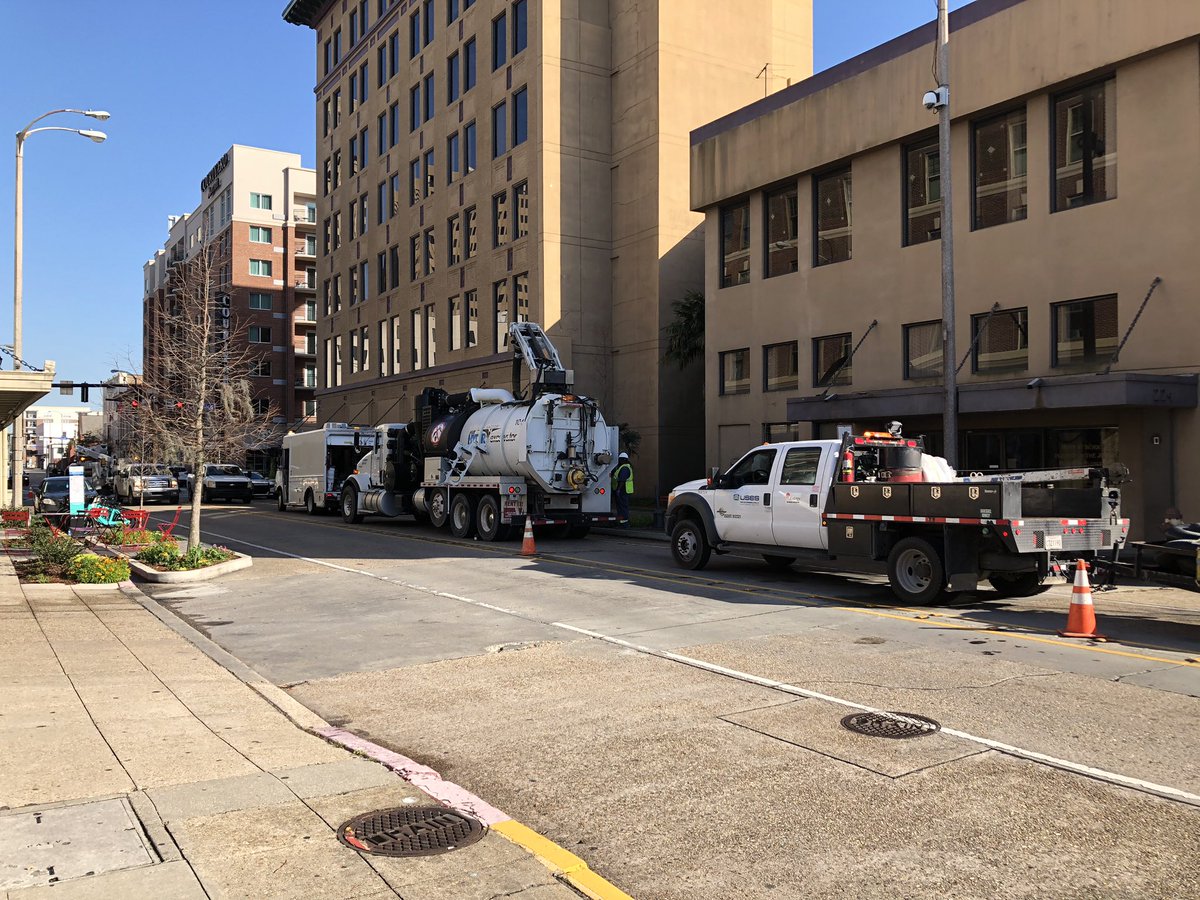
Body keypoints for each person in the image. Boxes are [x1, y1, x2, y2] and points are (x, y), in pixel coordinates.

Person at [612, 451, 634, 526]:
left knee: (622, 506)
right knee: (621, 506)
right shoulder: (624, 467)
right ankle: (622, 522)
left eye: (620, 459)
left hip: (623, 490)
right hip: (624, 490)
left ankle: (624, 523)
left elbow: (622, 480)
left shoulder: (624, 468)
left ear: (622, 460)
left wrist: (618, 489)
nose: (619, 461)